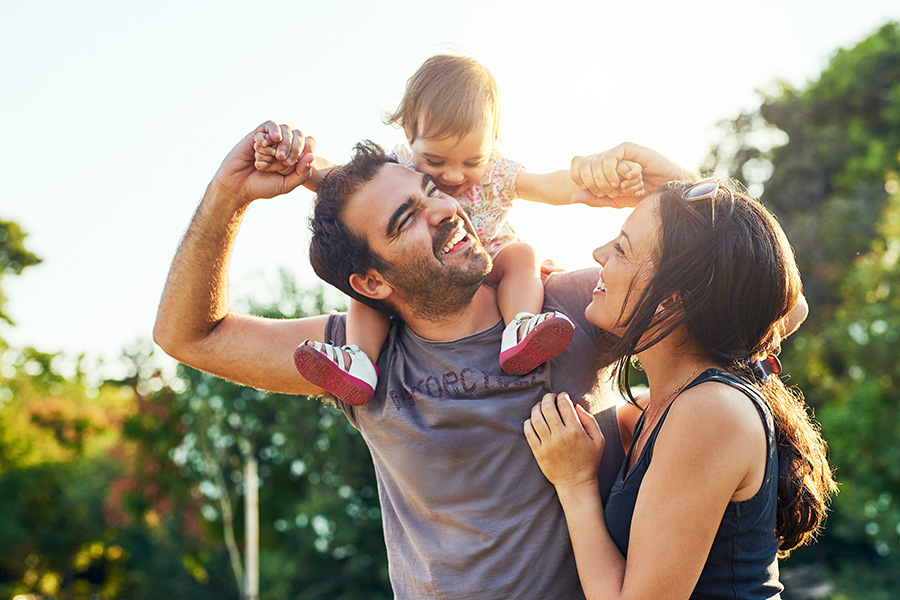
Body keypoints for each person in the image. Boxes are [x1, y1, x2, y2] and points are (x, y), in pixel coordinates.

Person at [153, 121, 670, 598]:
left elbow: (728, 287)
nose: (445, 209)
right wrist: (228, 195)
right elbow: (189, 335)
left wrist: (673, 180)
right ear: (372, 283)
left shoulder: (573, 309)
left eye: (432, 192)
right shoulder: (358, 361)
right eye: (407, 220)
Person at [252, 54, 643, 405]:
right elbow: (332, 176)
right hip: (427, 272)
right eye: (435, 160)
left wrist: (596, 181)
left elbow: (546, 185)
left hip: (488, 259)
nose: (454, 175)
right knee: (372, 289)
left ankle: (520, 326)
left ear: (492, 143)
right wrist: (292, 157)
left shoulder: (496, 173)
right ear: (408, 133)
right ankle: (359, 359)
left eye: (472, 160)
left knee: (523, 255)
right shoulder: (397, 170)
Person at [524, 167, 836, 598]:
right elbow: (773, 297)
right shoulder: (660, 408)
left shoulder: (711, 412)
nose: (598, 253)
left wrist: (575, 485)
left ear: (670, 300)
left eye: (622, 248)